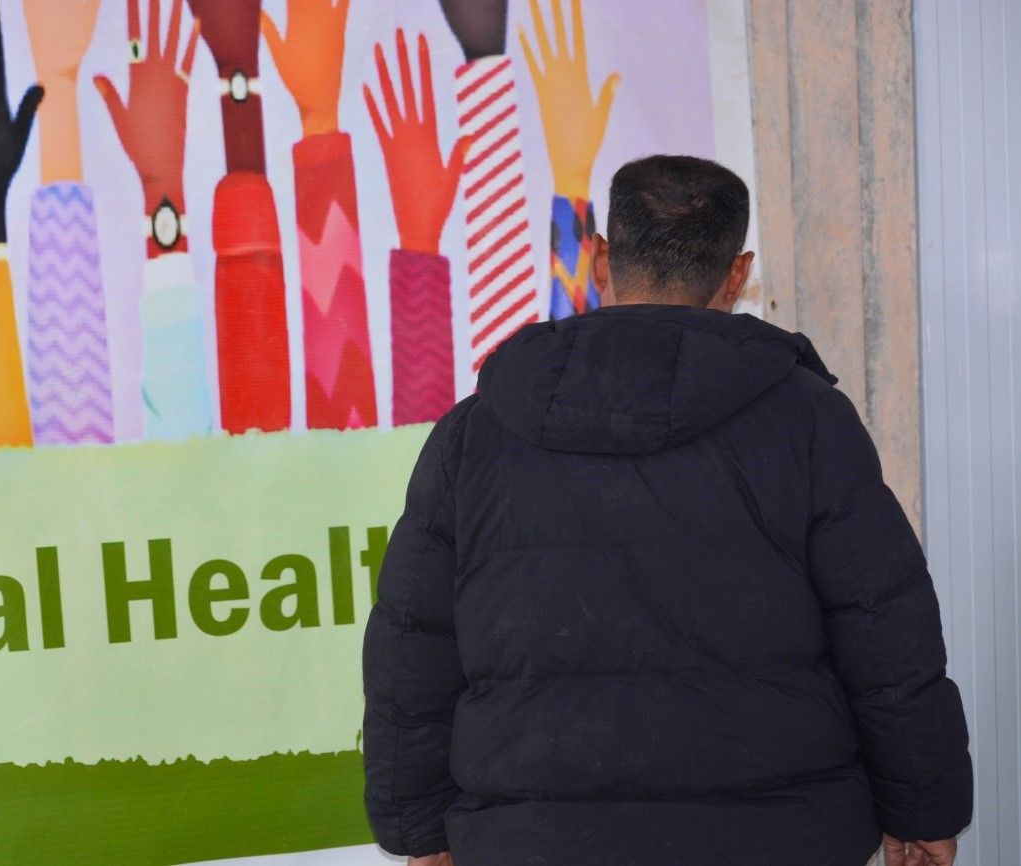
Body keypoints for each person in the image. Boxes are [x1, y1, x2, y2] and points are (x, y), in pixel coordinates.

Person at [362, 155, 973, 866]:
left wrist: (418, 830)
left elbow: (411, 648)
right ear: (737, 274)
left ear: (598, 260)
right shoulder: (810, 422)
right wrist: (925, 809)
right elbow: (887, 635)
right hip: (780, 837)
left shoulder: (474, 435)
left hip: (535, 841)